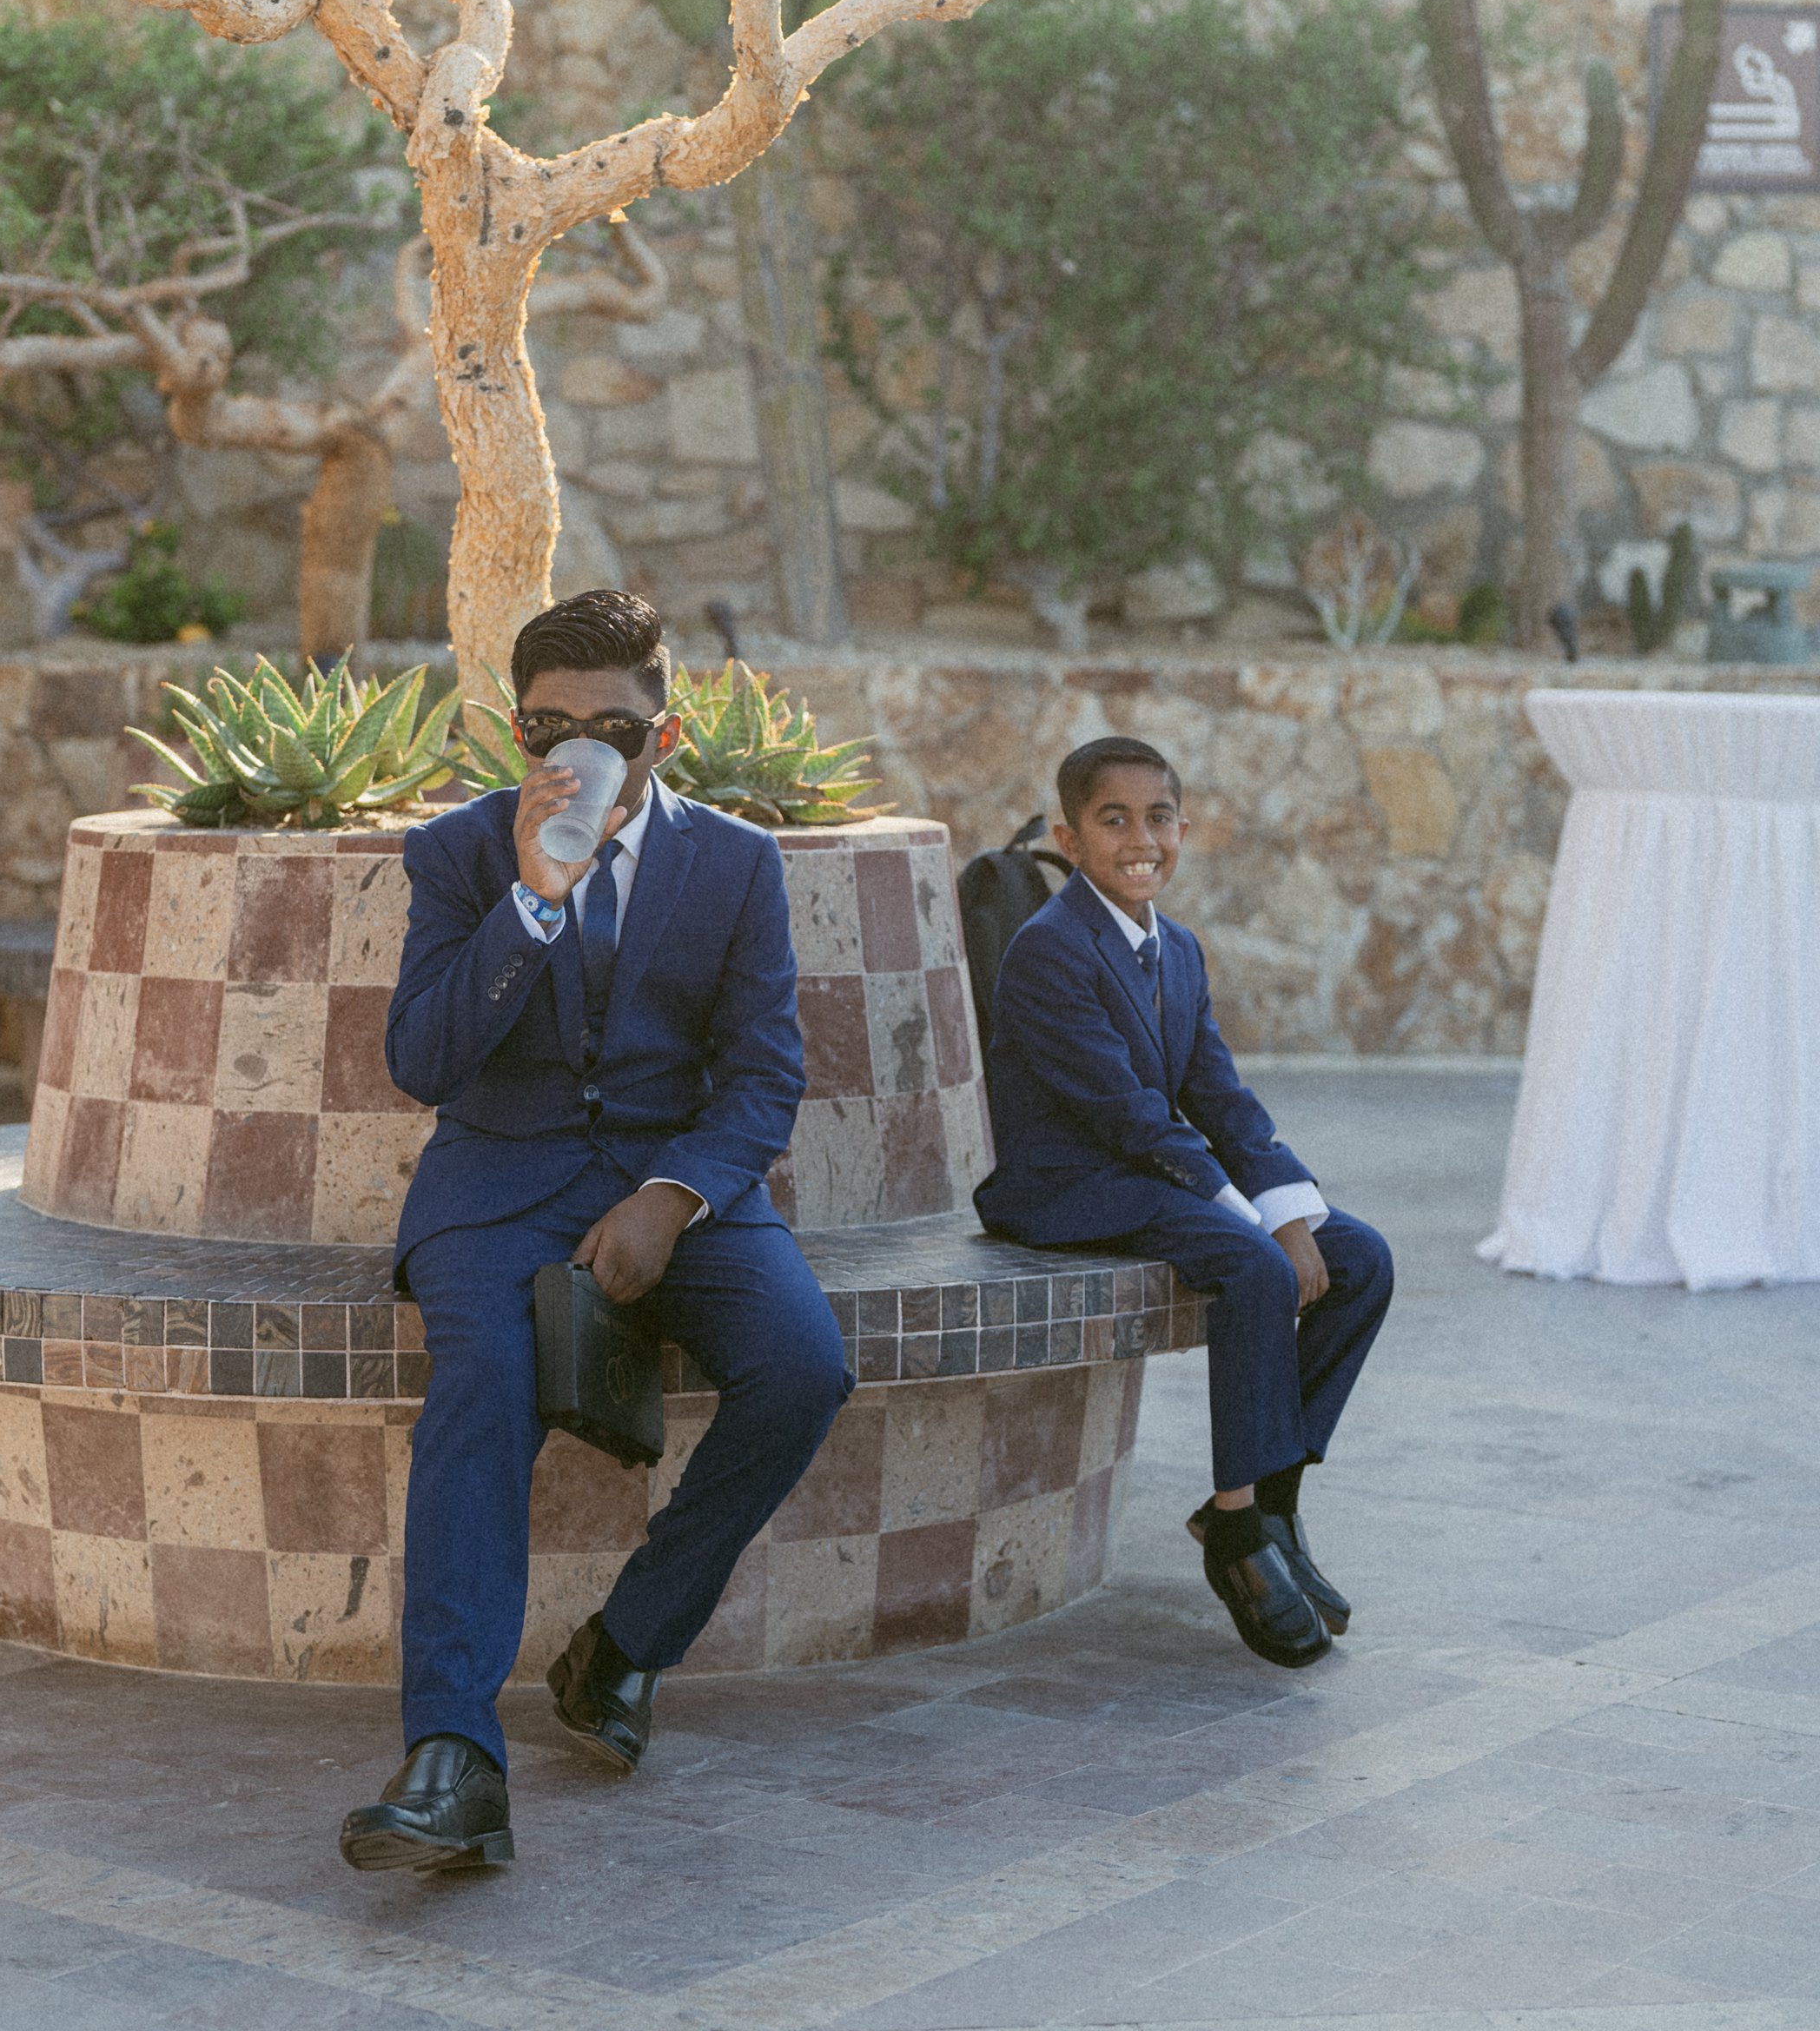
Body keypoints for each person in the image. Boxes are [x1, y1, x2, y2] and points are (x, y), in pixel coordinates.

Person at [341, 587, 850, 1876]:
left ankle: (623, 1648)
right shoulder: (459, 854)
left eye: (610, 728)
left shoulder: (735, 864)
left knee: (804, 1369)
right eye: (547, 726)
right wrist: (532, 900)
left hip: (679, 1186)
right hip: (497, 1190)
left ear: (662, 738)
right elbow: (424, 1061)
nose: (577, 751)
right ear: (517, 734)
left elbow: (763, 1076)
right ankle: (453, 1757)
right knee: (486, 1382)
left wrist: (674, 1199)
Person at [974, 735, 1393, 1670]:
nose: (1140, 838)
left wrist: (1292, 1208)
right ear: (1068, 838)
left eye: (1157, 816)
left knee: (1360, 1258)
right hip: (1064, 1187)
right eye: (1111, 819)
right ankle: (1239, 1533)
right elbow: (1130, 1119)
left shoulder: (1180, 950)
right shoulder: (1051, 950)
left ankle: (1273, 1496)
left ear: (1185, 828)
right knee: (1250, 1265)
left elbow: (1220, 1099)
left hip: (1141, 1174)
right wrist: (1258, 1229)